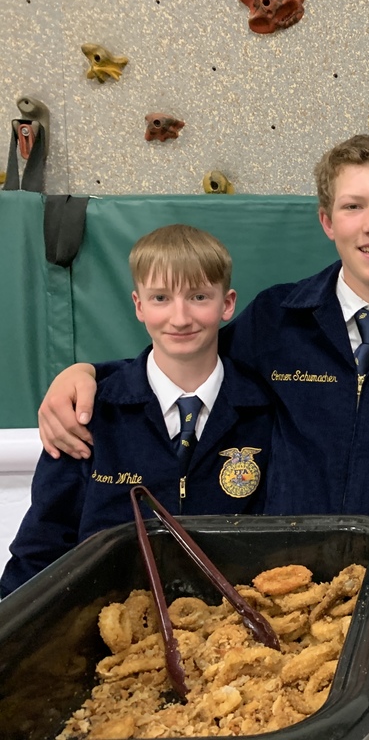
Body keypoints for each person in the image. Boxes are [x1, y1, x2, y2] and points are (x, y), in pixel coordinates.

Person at [34, 134, 369, 646]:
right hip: (288, 596)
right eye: (353, 206)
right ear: (327, 221)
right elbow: (187, 353)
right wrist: (88, 373)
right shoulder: (277, 319)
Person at [2, 224, 273, 596]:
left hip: (226, 628)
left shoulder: (264, 412)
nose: (180, 318)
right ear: (139, 305)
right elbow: (43, 545)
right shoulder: (88, 412)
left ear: (227, 304)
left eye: (198, 297)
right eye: (161, 298)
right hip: (107, 626)